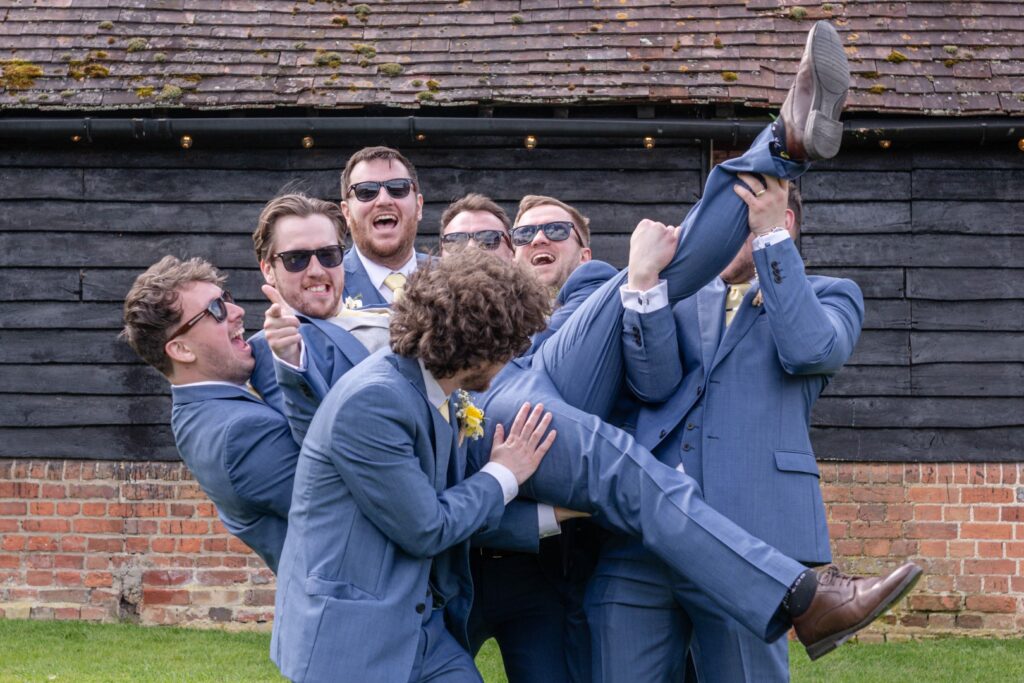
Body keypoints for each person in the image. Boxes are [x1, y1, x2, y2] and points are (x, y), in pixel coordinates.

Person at [586, 177, 864, 682]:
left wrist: (769, 242)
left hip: (748, 540)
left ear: (785, 222)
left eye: (735, 227)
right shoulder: (682, 295)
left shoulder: (833, 296)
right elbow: (653, 385)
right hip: (641, 541)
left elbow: (809, 350)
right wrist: (644, 282)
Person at [270, 252, 558, 682]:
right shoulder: (373, 402)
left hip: (424, 628)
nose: (514, 358)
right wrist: (504, 473)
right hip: (354, 641)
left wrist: (555, 514)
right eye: (512, 346)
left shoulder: (441, 388)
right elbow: (426, 527)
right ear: (479, 348)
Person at [120, 256, 299, 573]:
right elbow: (340, 495)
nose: (237, 311)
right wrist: (285, 364)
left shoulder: (198, 412)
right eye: (216, 310)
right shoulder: (239, 435)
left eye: (226, 298)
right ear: (182, 350)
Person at [338, 146, 430, 304]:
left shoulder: (453, 280)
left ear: (418, 206)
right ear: (347, 213)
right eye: (366, 191)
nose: (383, 201)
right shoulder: (327, 285)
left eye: (398, 187)